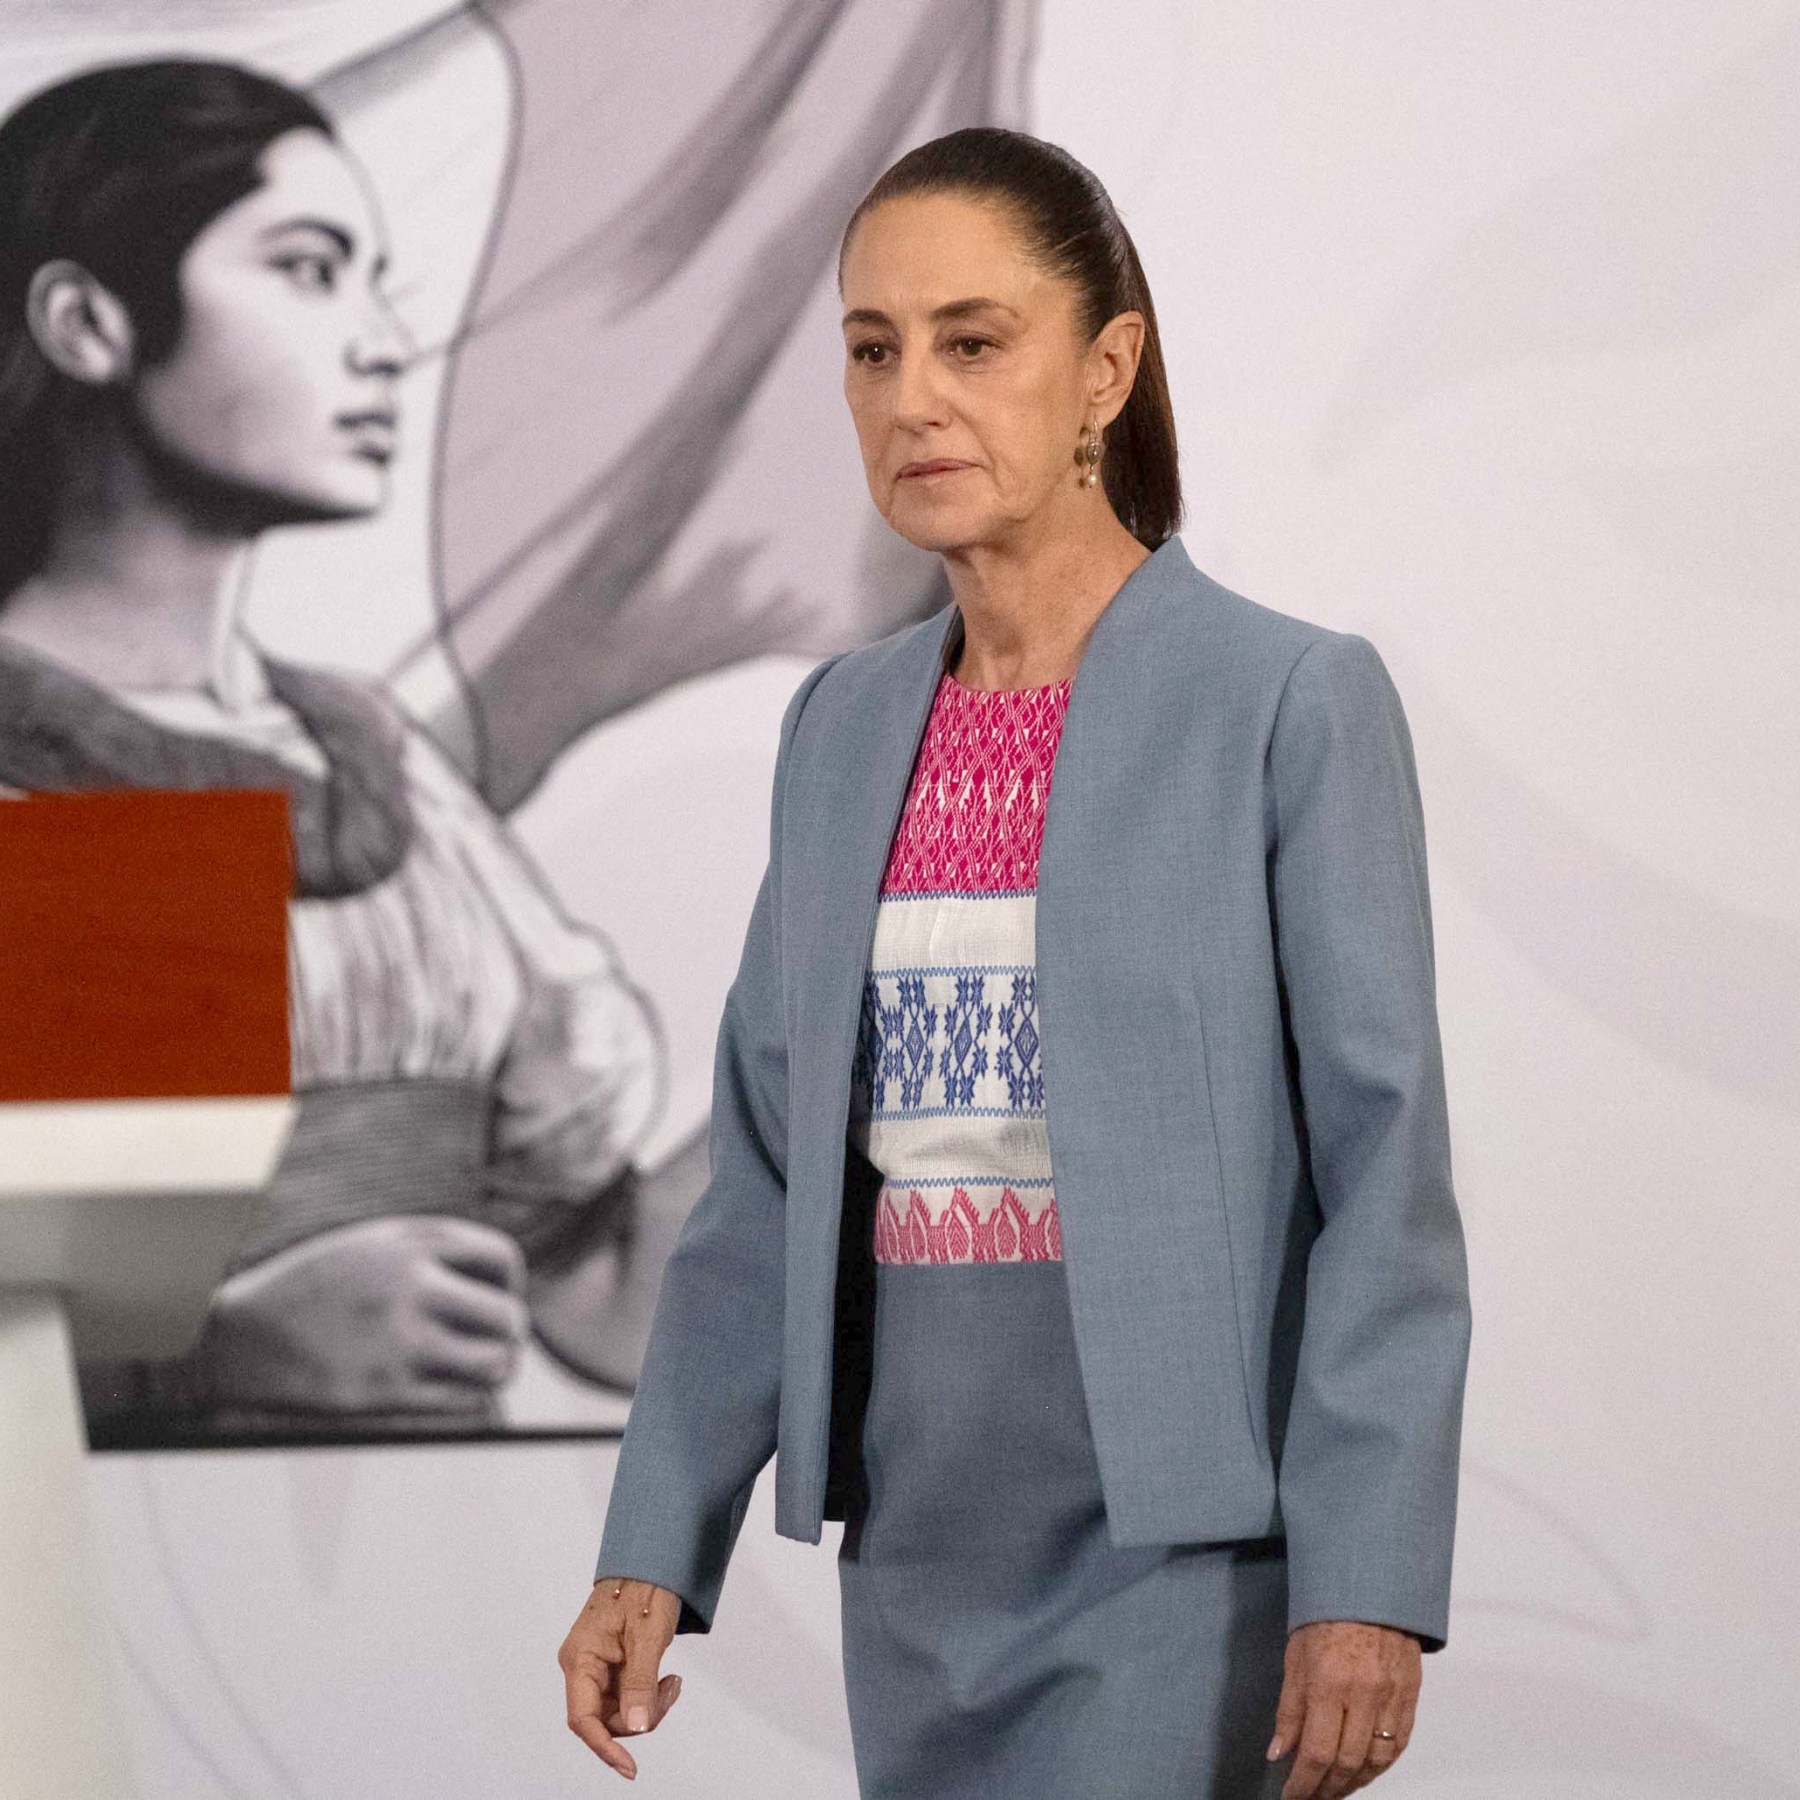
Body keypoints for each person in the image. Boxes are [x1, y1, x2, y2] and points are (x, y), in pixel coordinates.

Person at [560, 127, 1472, 1798]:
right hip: (914, 1557)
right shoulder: (841, 728)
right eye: (873, 350)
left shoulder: (1285, 704)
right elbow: (764, 1181)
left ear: (1105, 371)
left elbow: (1383, 1176)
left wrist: (1367, 1582)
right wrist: (652, 1548)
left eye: (973, 343)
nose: (913, 399)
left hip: (1189, 1560)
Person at [0, 57, 676, 1440]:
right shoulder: (45, 770)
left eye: (375, 281)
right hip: (125, 1558)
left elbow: (599, 1289)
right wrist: (216, 1351)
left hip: (429, 1544)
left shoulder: (375, 758)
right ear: (85, 321)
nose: (380, 344)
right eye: (308, 271)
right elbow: (110, 1286)